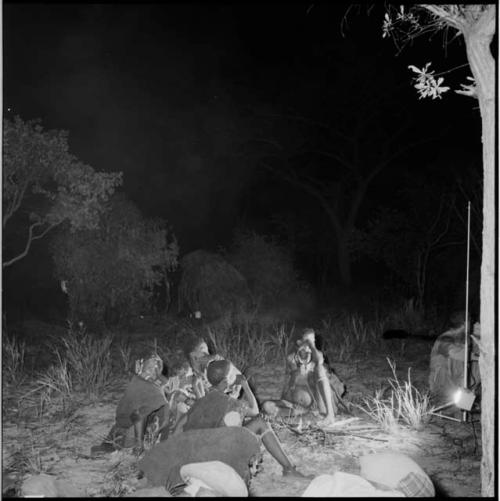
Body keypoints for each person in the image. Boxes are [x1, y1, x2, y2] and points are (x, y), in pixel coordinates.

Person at [173, 359, 311, 479]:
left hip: (195, 455)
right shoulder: (228, 402)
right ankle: (289, 469)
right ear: (226, 381)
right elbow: (255, 411)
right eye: (232, 373)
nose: (236, 374)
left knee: (238, 422)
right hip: (215, 458)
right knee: (261, 422)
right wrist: (245, 384)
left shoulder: (203, 400)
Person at [91, 353, 175, 457]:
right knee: (163, 413)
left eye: (156, 368)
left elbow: (160, 382)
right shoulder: (146, 387)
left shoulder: (140, 380)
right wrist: (139, 444)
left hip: (121, 428)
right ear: (141, 368)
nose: (153, 371)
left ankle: (117, 445)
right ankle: (134, 448)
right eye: (150, 368)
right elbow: (139, 415)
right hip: (129, 433)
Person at [262, 328, 346, 427]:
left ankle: (329, 415)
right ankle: (301, 415)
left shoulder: (317, 358)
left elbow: (319, 361)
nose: (309, 344)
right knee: (267, 406)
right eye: (306, 341)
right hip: (296, 407)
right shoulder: (292, 358)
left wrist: (311, 345)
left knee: (320, 370)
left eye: (312, 342)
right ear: (299, 342)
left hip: (317, 404)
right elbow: (291, 384)